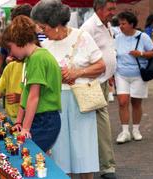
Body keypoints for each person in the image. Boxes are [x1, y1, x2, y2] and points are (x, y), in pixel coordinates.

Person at [31, 1, 106, 178]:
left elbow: (101, 65)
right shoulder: (46, 46)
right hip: (56, 103)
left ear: (56, 25)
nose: (41, 32)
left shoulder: (82, 37)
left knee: (83, 151)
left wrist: (78, 72)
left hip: (80, 101)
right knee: (60, 152)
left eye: (43, 27)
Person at [2, 15, 62, 153]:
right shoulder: (32, 58)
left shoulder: (37, 59)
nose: (10, 53)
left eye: (10, 48)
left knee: (29, 155)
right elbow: (26, 93)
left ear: (18, 42)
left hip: (45, 120)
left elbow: (33, 97)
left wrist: (25, 128)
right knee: (32, 156)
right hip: (41, 118)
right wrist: (19, 121)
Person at [80, 0, 117, 178]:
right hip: (93, 82)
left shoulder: (106, 25)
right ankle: (107, 166)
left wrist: (110, 74)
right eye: (110, 9)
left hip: (102, 80)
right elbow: (82, 54)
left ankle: (99, 164)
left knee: (98, 123)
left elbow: (107, 52)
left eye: (114, 9)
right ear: (99, 9)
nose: (113, 12)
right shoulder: (89, 27)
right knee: (101, 123)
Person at [115, 12, 153, 144]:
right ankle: (125, 132)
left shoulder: (142, 36)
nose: (121, 26)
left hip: (138, 75)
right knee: (122, 102)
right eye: (120, 23)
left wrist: (141, 53)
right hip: (121, 74)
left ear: (131, 24)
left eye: (123, 23)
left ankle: (136, 130)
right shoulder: (117, 38)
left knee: (136, 103)